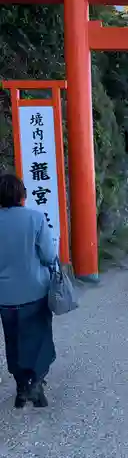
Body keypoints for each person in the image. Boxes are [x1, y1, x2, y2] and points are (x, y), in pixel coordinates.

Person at [0, 174, 57, 408]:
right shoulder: (35, 218)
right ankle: (37, 383)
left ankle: (21, 388)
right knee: (39, 338)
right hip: (34, 292)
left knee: (12, 340)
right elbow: (48, 256)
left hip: (4, 296)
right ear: (22, 194)